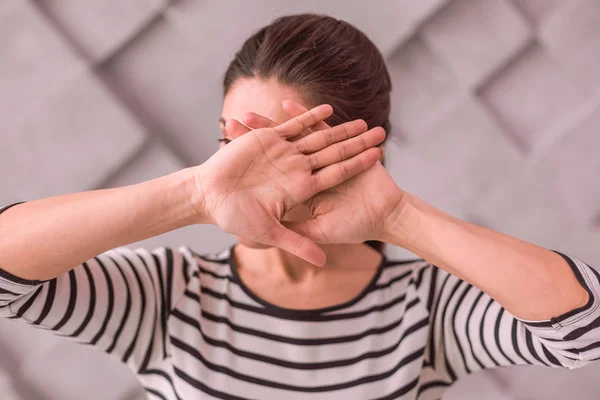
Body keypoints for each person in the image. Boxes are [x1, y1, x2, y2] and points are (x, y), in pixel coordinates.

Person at [1, 13, 598, 400]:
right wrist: (193, 194)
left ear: (359, 152)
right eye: (230, 145)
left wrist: (399, 218)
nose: (242, 171)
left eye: (279, 149)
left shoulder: (427, 307)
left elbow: (585, 334)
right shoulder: (169, 294)